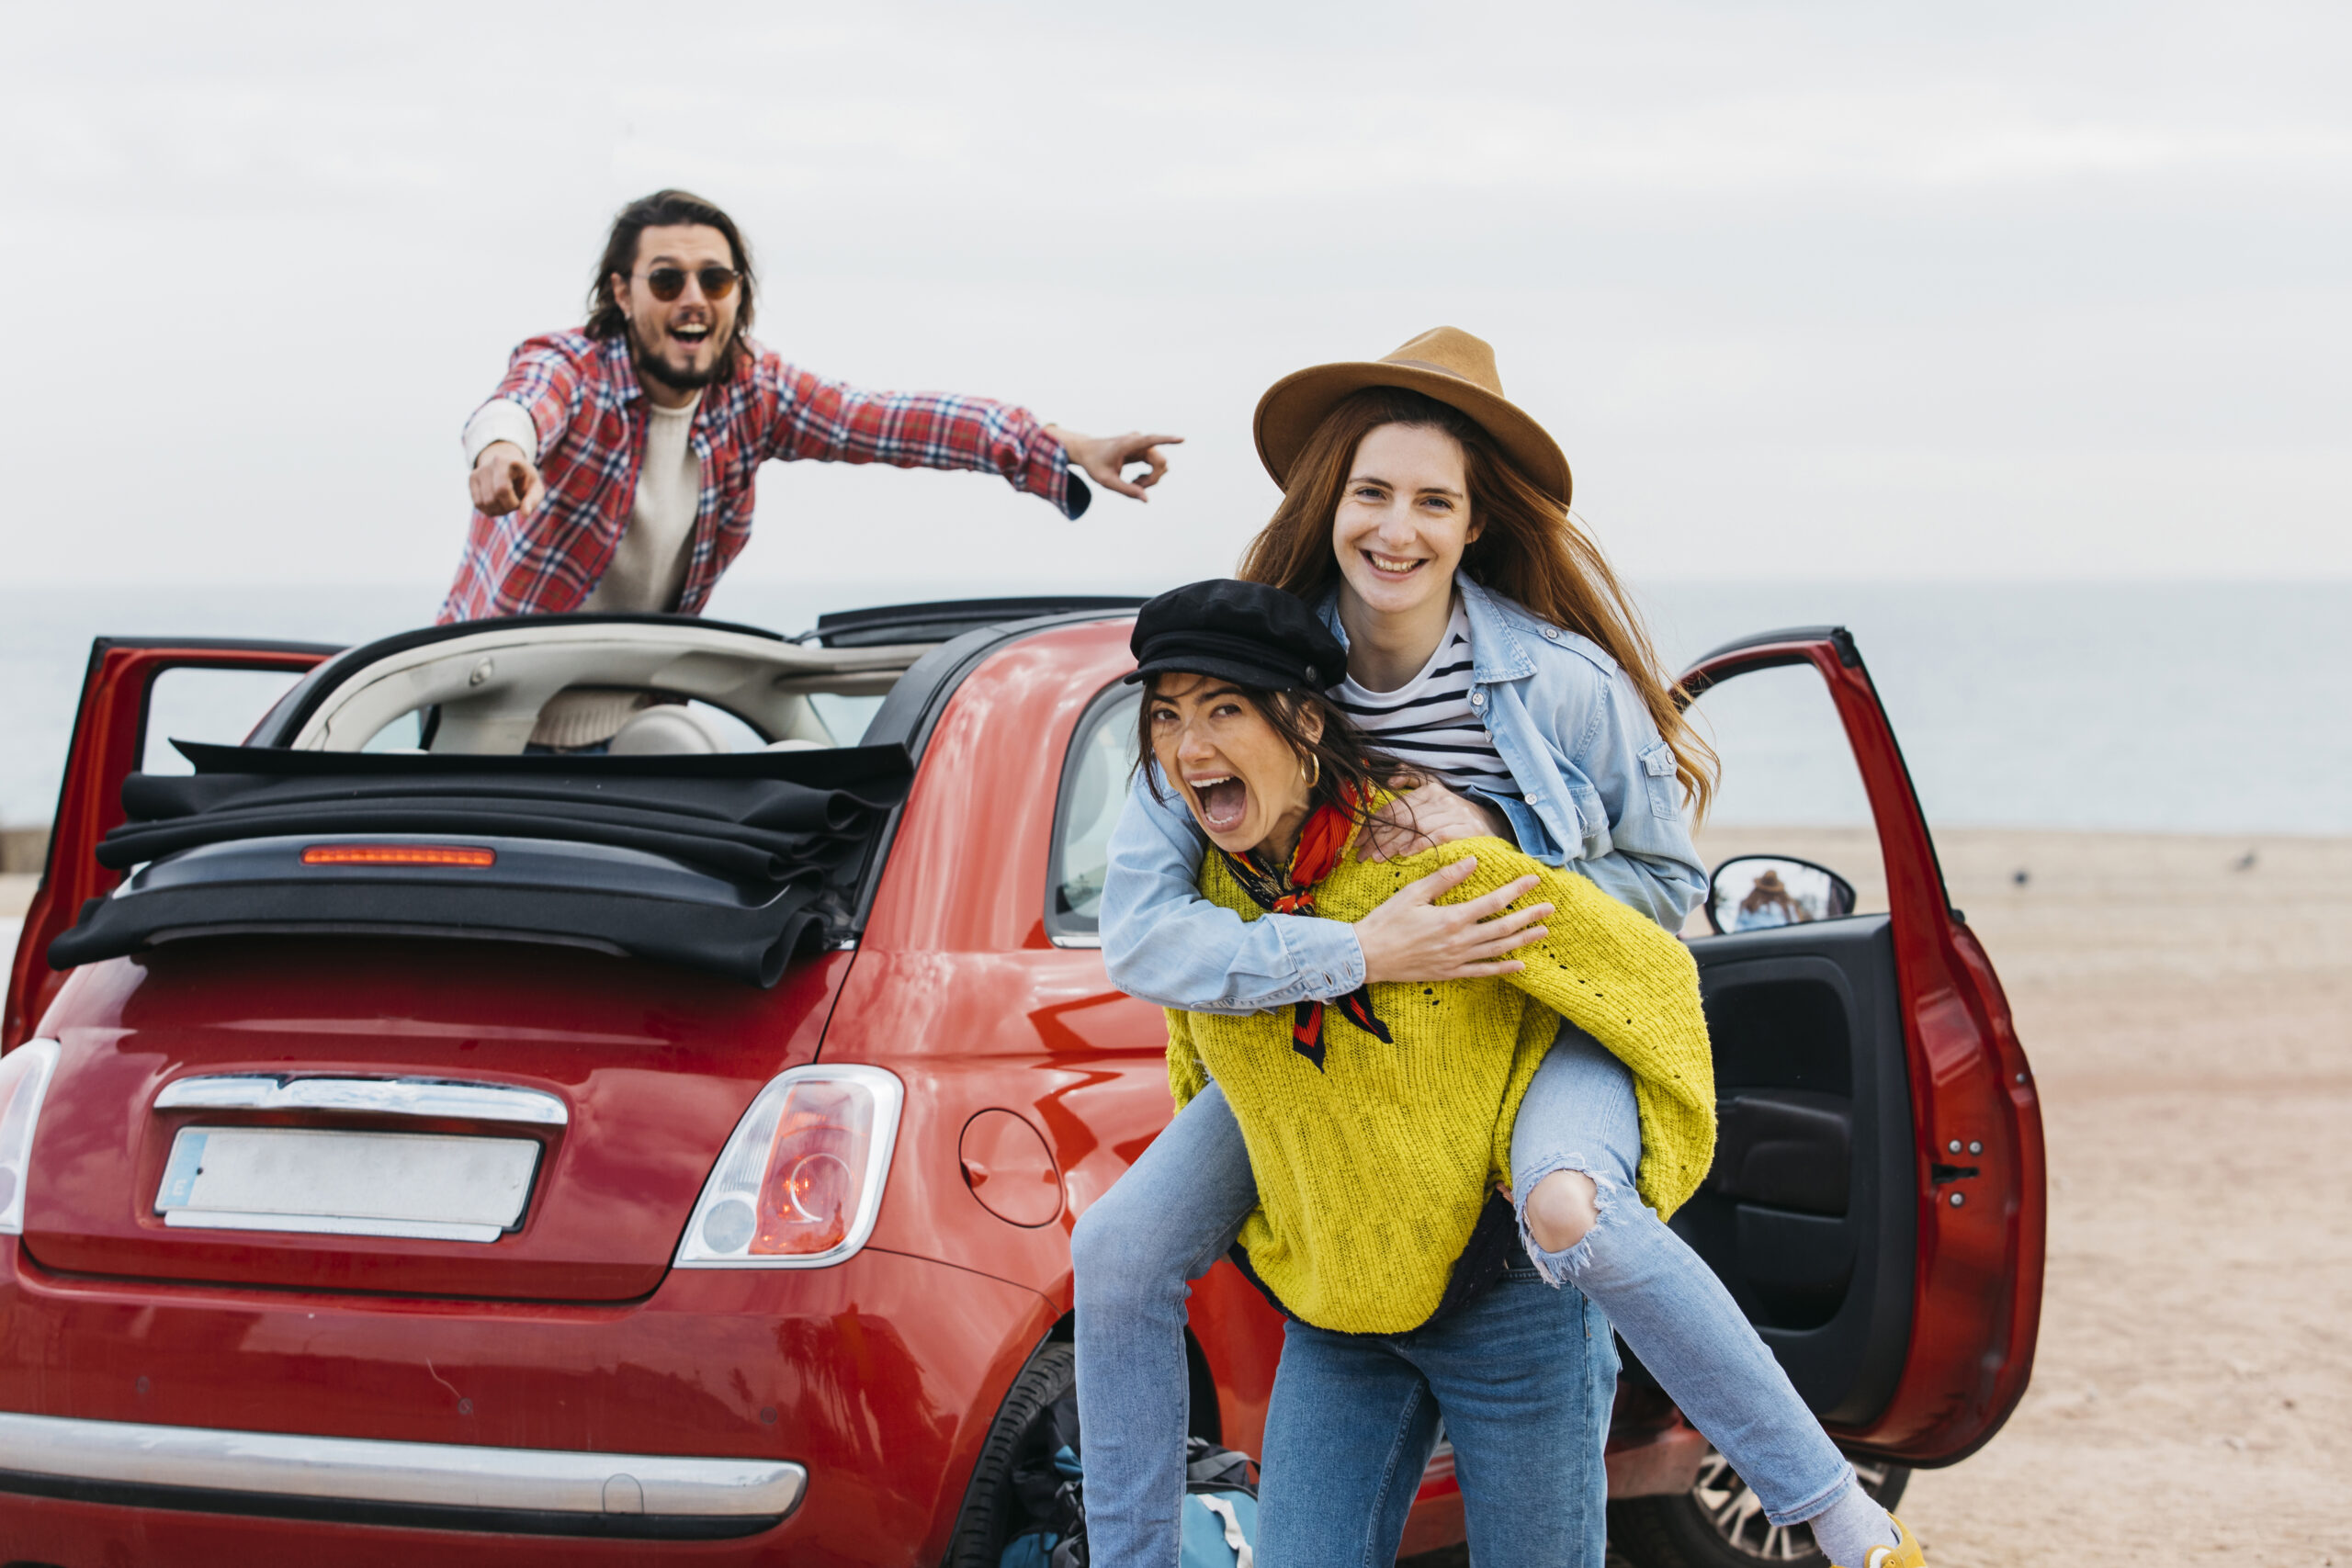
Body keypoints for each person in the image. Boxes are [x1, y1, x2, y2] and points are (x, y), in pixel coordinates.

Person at [1073, 330, 1923, 1568]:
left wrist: (1503, 842)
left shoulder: (1557, 681)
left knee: (1571, 1205)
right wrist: (1358, 950)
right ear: (1328, 503)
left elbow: (1664, 887)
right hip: (1335, 1048)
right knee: (1117, 1243)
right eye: (1371, 491)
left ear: (1476, 524)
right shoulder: (1241, 681)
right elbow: (1146, 927)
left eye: (1434, 499)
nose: (1396, 527)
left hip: (1535, 1024)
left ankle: (1836, 1512)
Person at [1125, 577, 1717, 1567]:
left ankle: (1834, 1506)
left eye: (1224, 709)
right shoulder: (1208, 899)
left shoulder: (1444, 860)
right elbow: (1193, 1059)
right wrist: (1356, 953)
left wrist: (1606, 1169)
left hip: (1511, 1302)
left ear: (1307, 724)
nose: (1190, 748)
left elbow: (1652, 970)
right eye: (1167, 717)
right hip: (1340, 1312)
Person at [442, 187, 1180, 749]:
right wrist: (503, 451)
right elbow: (524, 400)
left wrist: (1061, 447)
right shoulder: (580, 368)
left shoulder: (753, 395)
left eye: (716, 280)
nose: (693, 299)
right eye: (667, 281)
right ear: (621, 292)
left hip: (639, 711)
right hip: (500, 710)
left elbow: (890, 420)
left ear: (737, 295)